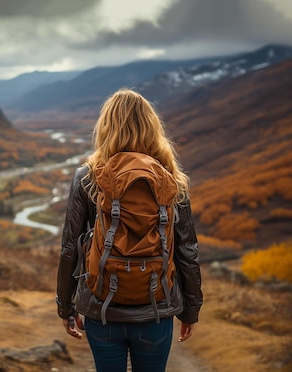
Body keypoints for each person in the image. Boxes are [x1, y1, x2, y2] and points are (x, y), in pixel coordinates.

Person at [56, 88, 203, 372]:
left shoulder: (88, 176)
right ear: (152, 128)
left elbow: (69, 248)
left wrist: (66, 306)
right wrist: (191, 310)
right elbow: (187, 251)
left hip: (102, 310)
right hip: (156, 310)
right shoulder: (171, 179)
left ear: (106, 128)